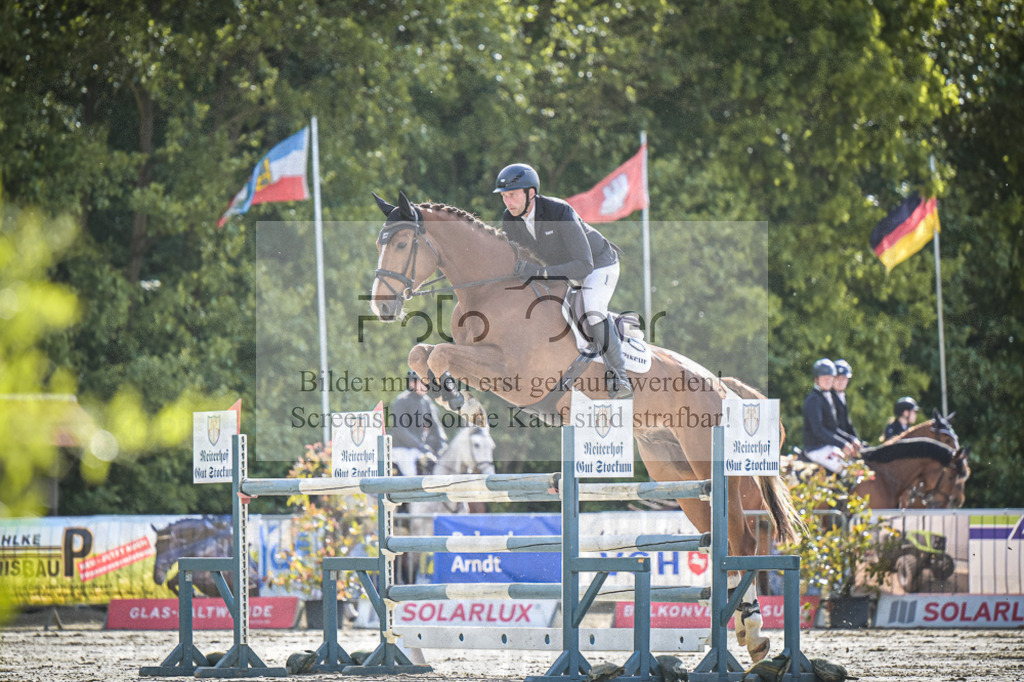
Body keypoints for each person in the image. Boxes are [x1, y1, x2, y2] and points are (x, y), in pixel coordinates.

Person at [492, 162, 632, 399]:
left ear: (531, 193)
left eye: (512, 195)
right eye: (504, 196)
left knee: (592, 309)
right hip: (559, 270)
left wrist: (538, 273)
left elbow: (583, 266)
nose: (508, 202)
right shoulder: (510, 219)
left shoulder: (559, 212)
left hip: (598, 265)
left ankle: (620, 377)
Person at [801, 358, 857, 473]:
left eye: (830, 378)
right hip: (816, 449)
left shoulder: (826, 397)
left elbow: (833, 429)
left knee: (854, 465)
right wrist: (843, 444)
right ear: (816, 379)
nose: (828, 381)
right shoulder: (814, 399)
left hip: (827, 447)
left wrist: (850, 440)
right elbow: (818, 430)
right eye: (824, 378)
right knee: (848, 472)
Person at [390, 369, 448, 477]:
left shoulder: (426, 401)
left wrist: (442, 444)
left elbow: (436, 426)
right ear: (412, 383)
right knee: (411, 474)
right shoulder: (402, 401)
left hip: (420, 448)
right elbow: (400, 430)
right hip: (402, 449)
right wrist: (419, 446)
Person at [831, 359, 861, 445]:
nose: (841, 381)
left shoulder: (842, 396)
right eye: (837, 378)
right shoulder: (828, 397)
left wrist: (857, 440)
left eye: (843, 378)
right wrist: (850, 440)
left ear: (847, 380)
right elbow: (832, 428)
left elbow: (848, 424)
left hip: (842, 441)